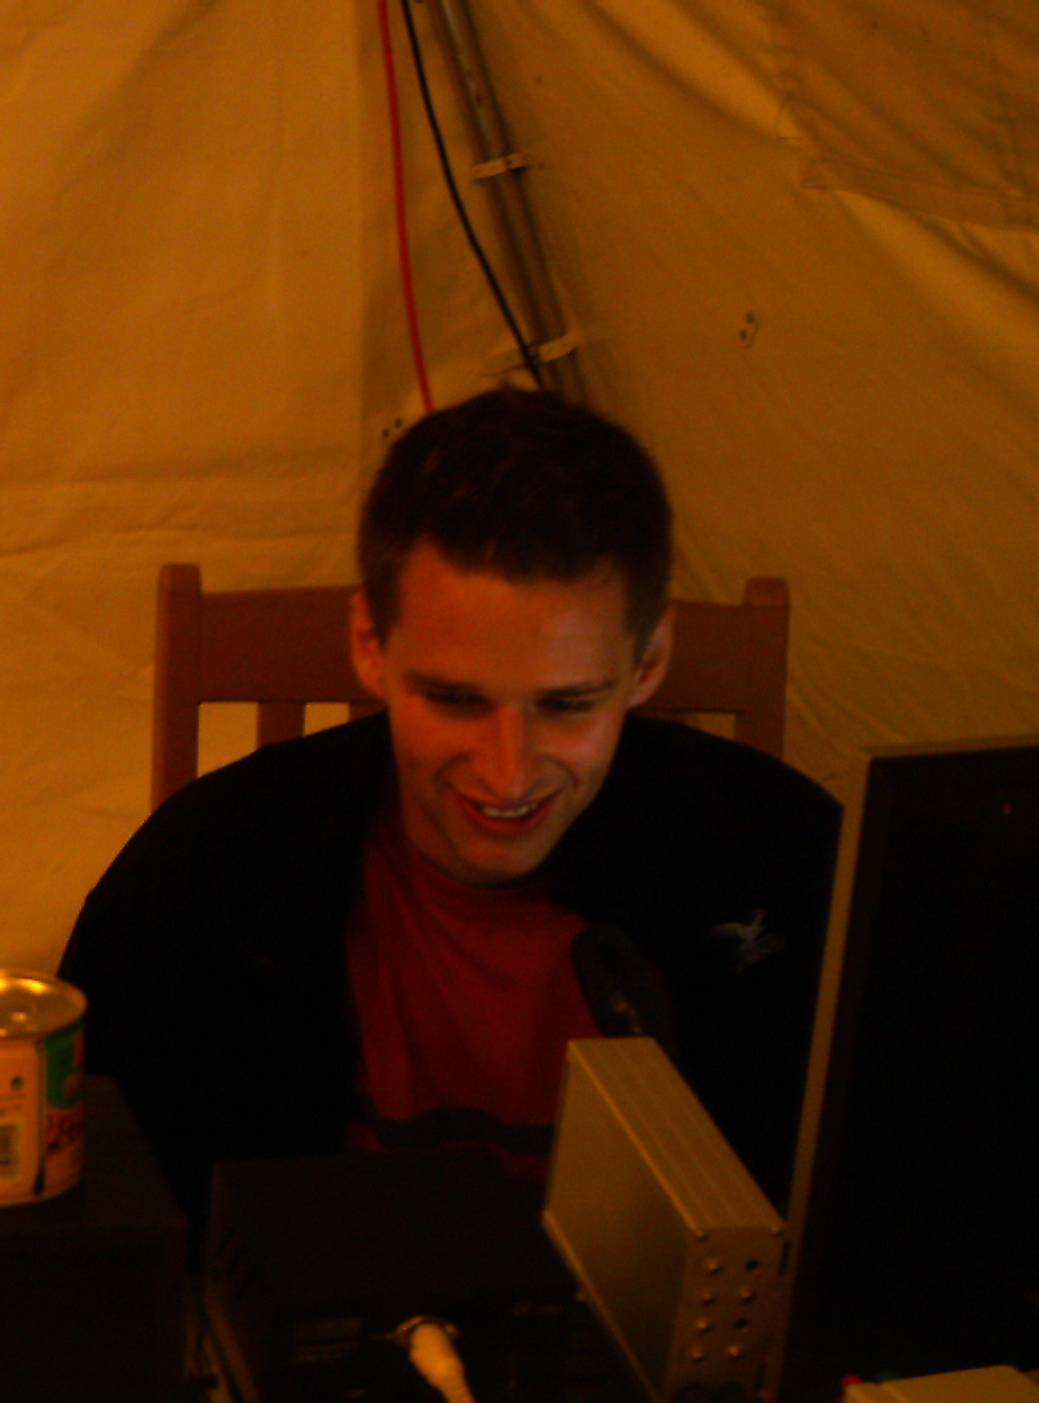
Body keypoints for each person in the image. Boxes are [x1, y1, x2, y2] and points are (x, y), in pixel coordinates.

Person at [60, 389, 839, 1228]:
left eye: (567, 705)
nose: (509, 775)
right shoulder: (199, 879)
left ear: (648, 662)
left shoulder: (789, 866)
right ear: (370, 645)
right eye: (457, 701)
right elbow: (98, 1224)